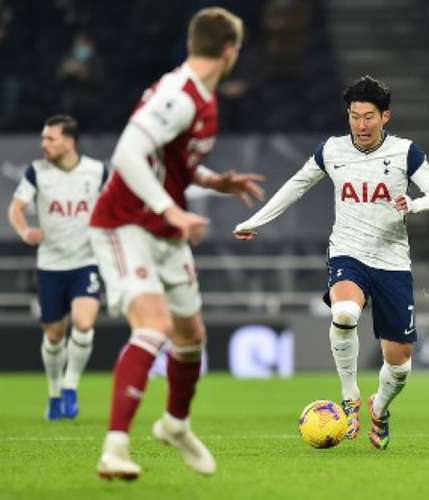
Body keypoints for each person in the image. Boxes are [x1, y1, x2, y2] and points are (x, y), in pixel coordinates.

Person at [89, 7, 264, 479]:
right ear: (230, 51)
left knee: (191, 339)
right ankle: (115, 448)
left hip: (163, 230)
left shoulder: (203, 98)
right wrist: (168, 208)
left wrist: (215, 181)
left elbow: (175, 164)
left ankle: (175, 425)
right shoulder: (180, 95)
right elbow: (126, 153)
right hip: (125, 222)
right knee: (154, 325)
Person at [234, 75, 429, 450]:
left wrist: (413, 204)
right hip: (348, 252)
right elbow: (296, 185)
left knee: (399, 367)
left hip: (392, 261)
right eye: (354, 116)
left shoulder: (405, 152)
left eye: (369, 117)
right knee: (346, 312)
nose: (361, 125)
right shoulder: (331, 150)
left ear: (386, 117)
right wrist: (255, 221)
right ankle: (349, 398)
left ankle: (379, 408)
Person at [7, 114, 107, 420]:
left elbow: (113, 207)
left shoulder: (97, 171)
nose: (44, 144)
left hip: (86, 261)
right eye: (43, 138)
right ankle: (53, 392)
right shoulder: (36, 172)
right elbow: (16, 208)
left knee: (85, 323)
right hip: (50, 265)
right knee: (53, 335)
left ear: (69, 141)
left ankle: (70, 387)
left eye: (50, 138)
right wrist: (25, 231)